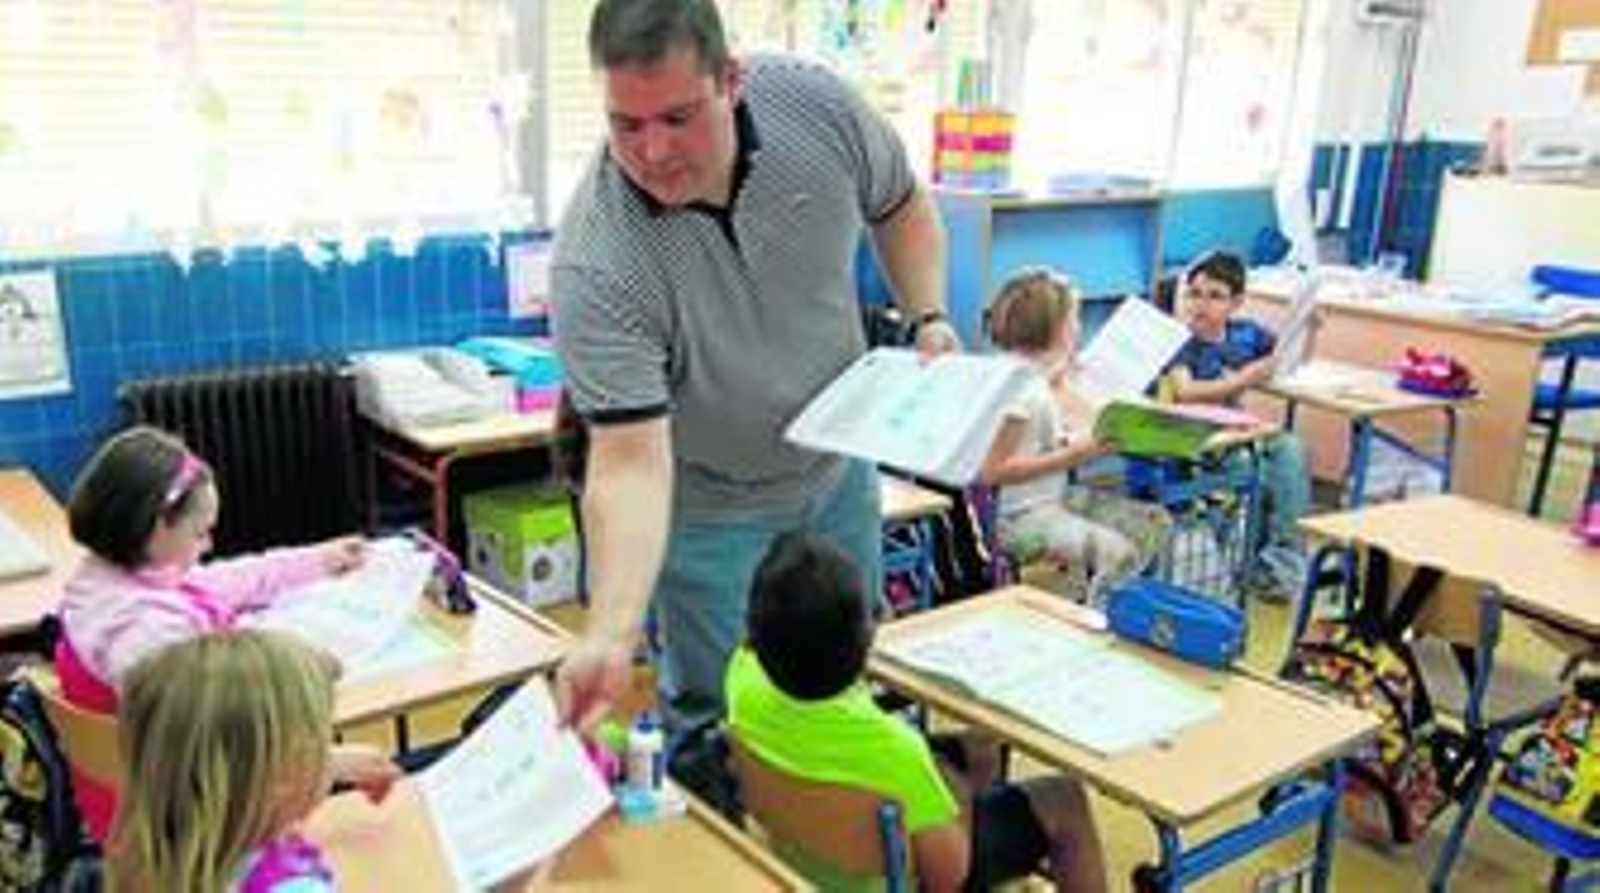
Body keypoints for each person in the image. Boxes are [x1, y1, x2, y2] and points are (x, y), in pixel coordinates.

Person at [550, 0, 957, 738]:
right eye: (626, 125)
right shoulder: (597, 259)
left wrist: (928, 314)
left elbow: (899, 202)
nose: (653, 152)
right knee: (720, 719)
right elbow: (630, 462)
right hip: (711, 510)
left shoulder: (813, 106)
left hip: (836, 474)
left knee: (844, 683)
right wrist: (609, 632)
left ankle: (841, 845)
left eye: (677, 117)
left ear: (730, 80)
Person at [727, 532, 1106, 892]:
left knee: (981, 746)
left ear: (755, 633)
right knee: (1064, 797)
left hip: (803, 850)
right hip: (896, 877)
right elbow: (948, 878)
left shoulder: (741, 677)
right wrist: (953, 792)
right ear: (868, 638)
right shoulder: (898, 754)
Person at [55, 425, 373, 840]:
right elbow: (223, 751)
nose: (207, 544)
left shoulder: (114, 575)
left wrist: (319, 559)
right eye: (200, 532)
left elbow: (227, 580)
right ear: (156, 527)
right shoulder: (141, 633)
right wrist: (332, 759)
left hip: (155, 798)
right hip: (180, 828)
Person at [108, 629, 395, 892]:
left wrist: (329, 765)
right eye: (322, 740)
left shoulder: (152, 842)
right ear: (280, 778)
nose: (326, 751)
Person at [979, 268, 1172, 607]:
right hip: (1016, 519)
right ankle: (1096, 627)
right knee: (1120, 554)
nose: (1079, 327)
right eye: (1075, 318)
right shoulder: (1025, 389)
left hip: (1045, 500)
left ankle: (1099, 602)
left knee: (1155, 523)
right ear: (1059, 329)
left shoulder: (1029, 375)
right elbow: (994, 471)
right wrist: (1077, 453)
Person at [1166, 250, 1312, 596]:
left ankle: (1280, 565)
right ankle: (1240, 562)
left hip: (1237, 431)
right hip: (1195, 439)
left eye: (1215, 296)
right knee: (1248, 466)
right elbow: (1186, 392)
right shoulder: (1180, 342)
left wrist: (1309, 329)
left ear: (1237, 302)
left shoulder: (1245, 334)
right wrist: (1244, 379)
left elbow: (1287, 359)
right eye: (1194, 293)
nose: (1201, 305)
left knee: (1291, 451)